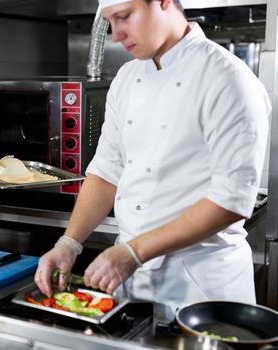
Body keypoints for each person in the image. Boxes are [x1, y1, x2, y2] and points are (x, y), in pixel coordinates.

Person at [35, 0, 270, 315]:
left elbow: (230, 201)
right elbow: (106, 173)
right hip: (133, 283)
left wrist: (134, 251)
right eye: (109, 22)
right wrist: (69, 243)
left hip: (202, 288)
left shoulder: (228, 79)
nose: (116, 35)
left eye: (124, 17)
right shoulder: (127, 78)